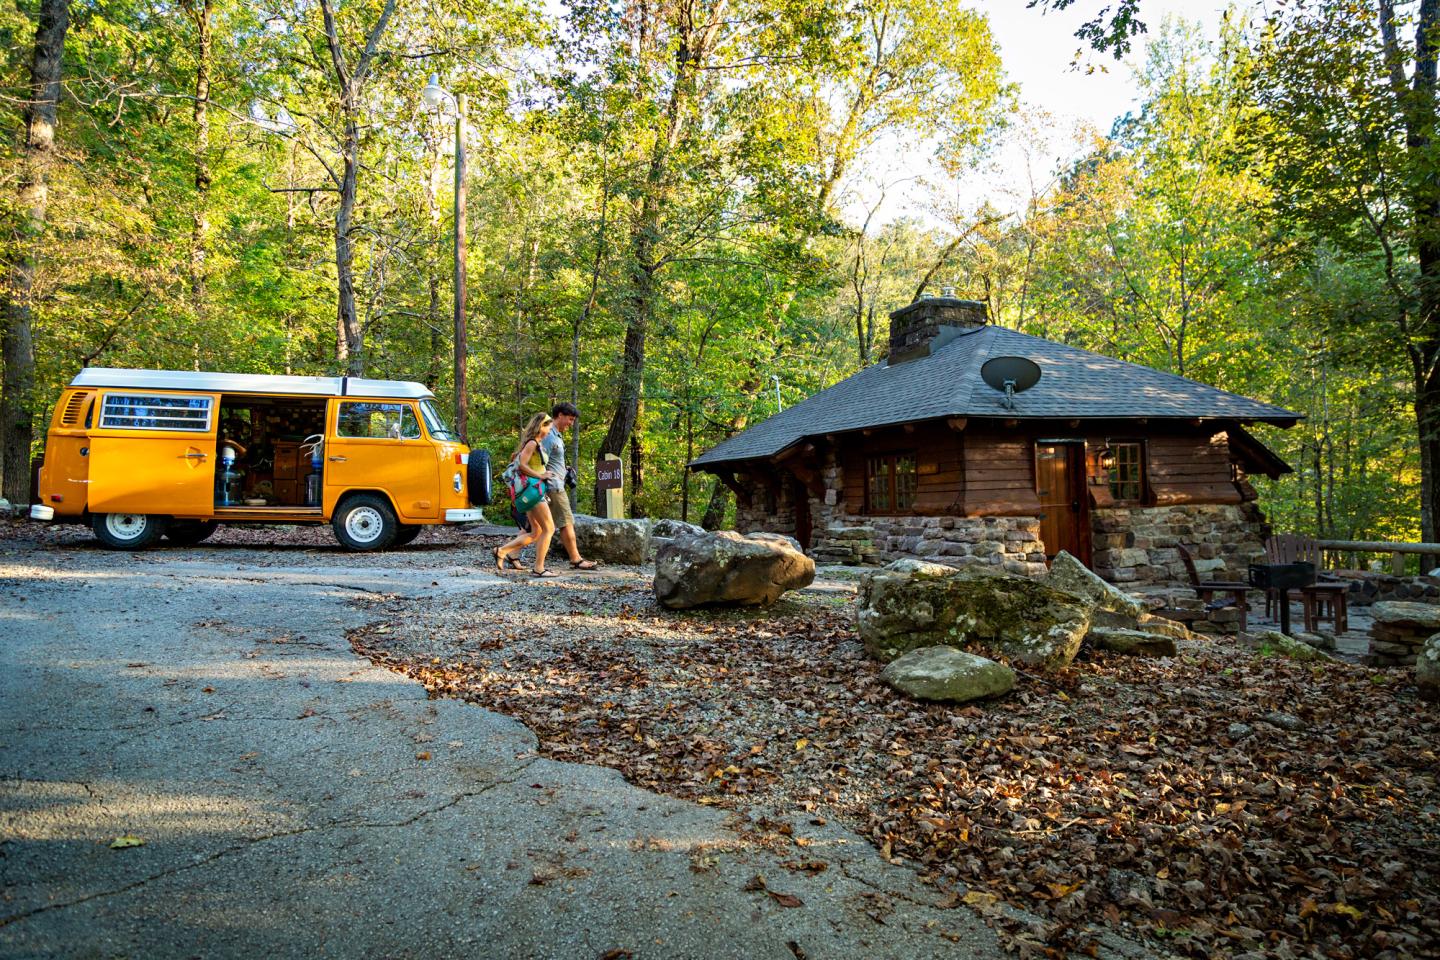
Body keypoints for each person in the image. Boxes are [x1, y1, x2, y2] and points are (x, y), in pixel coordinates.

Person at [495, 413, 559, 577]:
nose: (549, 431)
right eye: (548, 428)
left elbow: (532, 464)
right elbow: (522, 465)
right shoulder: (532, 443)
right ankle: (539, 568)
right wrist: (541, 476)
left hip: (535, 490)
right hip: (534, 491)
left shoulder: (537, 443)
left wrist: (545, 472)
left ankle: (502, 551)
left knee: (536, 531)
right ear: (541, 427)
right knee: (549, 528)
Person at [542, 402, 598, 570]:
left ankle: (507, 552)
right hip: (553, 486)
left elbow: (550, 460)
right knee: (566, 522)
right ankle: (576, 559)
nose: (571, 424)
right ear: (560, 415)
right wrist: (541, 481)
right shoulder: (549, 435)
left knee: (537, 527)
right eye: (570, 419)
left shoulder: (556, 435)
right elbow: (538, 461)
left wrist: (563, 469)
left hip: (555, 482)